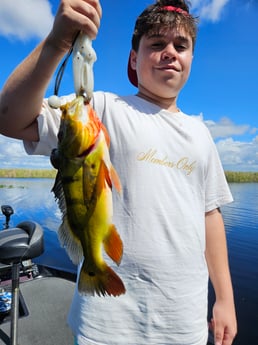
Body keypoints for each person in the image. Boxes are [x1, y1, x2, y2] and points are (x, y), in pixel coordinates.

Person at [0, 0, 237, 344]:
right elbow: (9, 117)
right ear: (133, 60)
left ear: (191, 60)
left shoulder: (200, 133)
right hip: (106, 322)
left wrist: (226, 299)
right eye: (156, 44)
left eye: (180, 46)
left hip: (184, 319)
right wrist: (58, 43)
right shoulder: (101, 108)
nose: (169, 52)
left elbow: (210, 215)